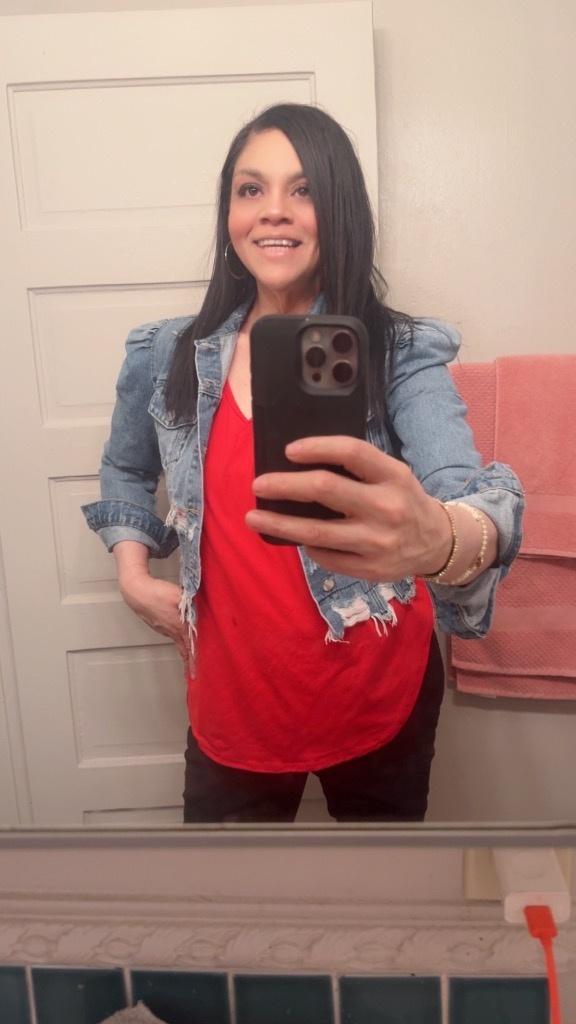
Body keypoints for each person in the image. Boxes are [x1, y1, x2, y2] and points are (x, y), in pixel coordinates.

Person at [83, 103, 523, 824]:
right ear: (229, 214)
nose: (273, 211)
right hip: (233, 700)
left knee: (382, 886)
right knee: (232, 891)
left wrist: (446, 537)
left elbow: (463, 489)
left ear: (338, 208)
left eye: (304, 189)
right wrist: (134, 576)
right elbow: (126, 470)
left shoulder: (398, 352)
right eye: (250, 189)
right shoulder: (165, 353)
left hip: (379, 691)